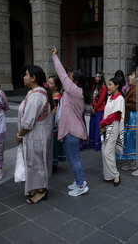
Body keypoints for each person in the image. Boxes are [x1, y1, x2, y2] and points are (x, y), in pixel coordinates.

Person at [52, 46, 90, 196]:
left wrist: (55, 56)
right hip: (72, 130)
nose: (66, 78)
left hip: (71, 131)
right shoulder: (76, 92)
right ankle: (79, 180)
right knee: (75, 159)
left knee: (73, 160)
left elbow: (61, 74)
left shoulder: (74, 91)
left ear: (74, 82)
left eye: (69, 77)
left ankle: (81, 185)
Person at [17, 66, 54, 203]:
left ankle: (41, 190)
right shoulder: (35, 93)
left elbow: (28, 121)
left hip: (36, 135)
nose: (24, 77)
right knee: (34, 162)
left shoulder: (37, 95)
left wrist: (20, 135)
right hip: (36, 135)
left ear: (33, 78)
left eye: (26, 75)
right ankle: (35, 187)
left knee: (37, 163)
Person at [118, 70, 138, 176]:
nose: (129, 77)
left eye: (132, 75)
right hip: (131, 116)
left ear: (136, 78)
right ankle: (132, 162)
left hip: (136, 117)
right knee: (130, 140)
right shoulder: (134, 87)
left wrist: (122, 102)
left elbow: (135, 105)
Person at [100, 78, 125, 186]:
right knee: (106, 151)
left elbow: (112, 117)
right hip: (107, 125)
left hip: (113, 126)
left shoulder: (119, 99)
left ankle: (115, 175)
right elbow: (106, 113)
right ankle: (108, 175)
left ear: (117, 86)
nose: (108, 87)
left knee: (107, 152)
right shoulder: (110, 98)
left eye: (110, 85)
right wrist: (103, 124)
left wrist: (102, 124)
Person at [47, 75, 66, 173]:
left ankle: (53, 163)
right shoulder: (49, 94)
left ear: (57, 86)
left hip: (53, 122)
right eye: (48, 81)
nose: (48, 84)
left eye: (51, 83)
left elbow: (54, 111)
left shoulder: (56, 96)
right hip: (49, 121)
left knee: (53, 143)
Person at [89, 72, 107, 151]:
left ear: (101, 78)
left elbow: (101, 99)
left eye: (98, 77)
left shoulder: (103, 87)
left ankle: (99, 144)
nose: (96, 78)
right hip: (93, 109)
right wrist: (91, 107)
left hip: (100, 110)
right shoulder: (94, 86)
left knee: (99, 127)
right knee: (92, 126)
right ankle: (92, 143)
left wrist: (95, 108)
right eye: (95, 76)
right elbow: (91, 97)